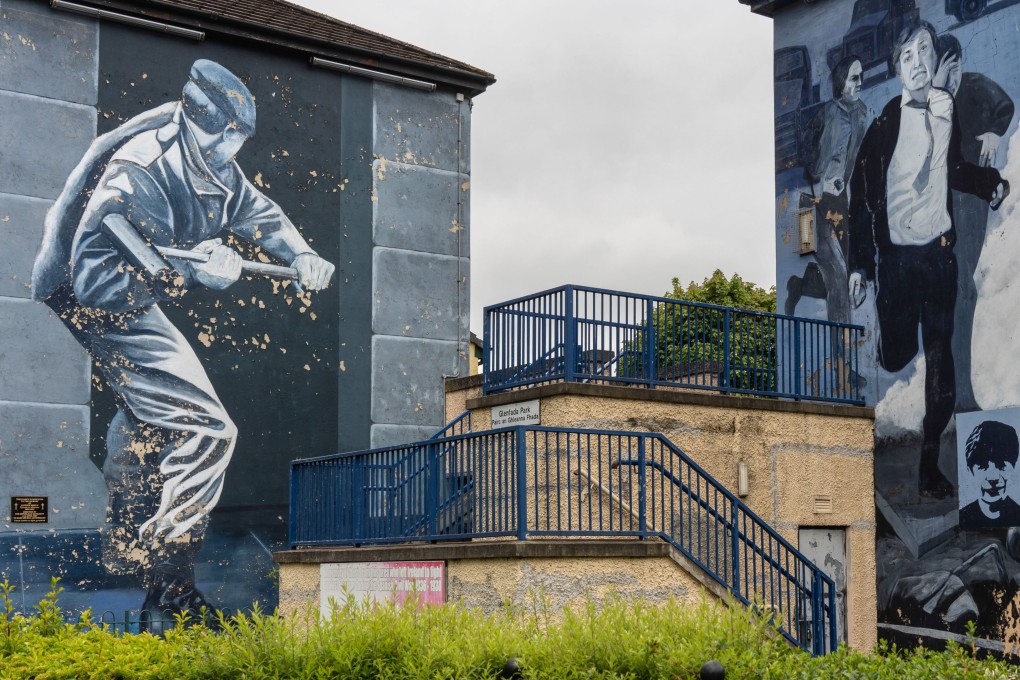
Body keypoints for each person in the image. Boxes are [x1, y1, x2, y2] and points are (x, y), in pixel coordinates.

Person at [30, 59, 335, 619]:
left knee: (150, 413)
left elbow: (255, 212)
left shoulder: (205, 153)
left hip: (125, 285)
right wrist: (195, 274)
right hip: (90, 290)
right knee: (209, 427)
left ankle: (129, 556)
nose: (236, 152)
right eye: (234, 140)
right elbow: (97, 281)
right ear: (215, 129)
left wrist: (302, 253)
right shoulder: (141, 170)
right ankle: (170, 575)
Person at [847, 22, 1009, 499]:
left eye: (925, 52)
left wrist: (989, 183)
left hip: (939, 257)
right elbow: (861, 195)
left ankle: (930, 463)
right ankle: (889, 341)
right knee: (898, 353)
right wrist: (860, 265)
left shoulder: (946, 109)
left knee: (941, 360)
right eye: (908, 55)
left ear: (934, 60)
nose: (918, 62)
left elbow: (954, 167)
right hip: (896, 263)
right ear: (898, 67)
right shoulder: (884, 124)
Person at [932, 34, 1015, 412]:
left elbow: (1006, 106)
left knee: (965, 289)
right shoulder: (932, 105)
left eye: (954, 70)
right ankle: (958, 393)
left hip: (973, 199)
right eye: (943, 72)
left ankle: (957, 390)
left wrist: (996, 133)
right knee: (960, 290)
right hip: (950, 202)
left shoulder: (976, 86)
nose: (951, 79)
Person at [786, 56, 867, 327]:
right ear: (841, 82)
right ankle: (841, 358)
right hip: (811, 201)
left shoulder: (862, 113)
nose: (860, 83)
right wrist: (821, 181)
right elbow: (804, 156)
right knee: (837, 273)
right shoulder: (826, 113)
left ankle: (801, 285)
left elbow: (857, 158)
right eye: (854, 78)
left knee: (839, 274)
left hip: (839, 199)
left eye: (861, 77)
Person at [959, 420, 1020, 528]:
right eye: (983, 467)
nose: (993, 477)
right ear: (969, 471)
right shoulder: (962, 518)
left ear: (1013, 469)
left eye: (1001, 466)